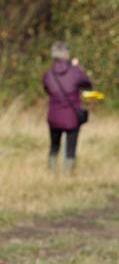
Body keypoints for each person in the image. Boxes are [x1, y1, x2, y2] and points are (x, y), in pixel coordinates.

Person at [42, 42, 92, 173]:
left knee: (54, 146)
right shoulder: (74, 72)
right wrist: (77, 68)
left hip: (54, 115)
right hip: (72, 116)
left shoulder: (48, 74)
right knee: (71, 148)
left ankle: (51, 172)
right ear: (66, 55)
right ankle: (67, 174)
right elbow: (87, 83)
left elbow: (46, 89)